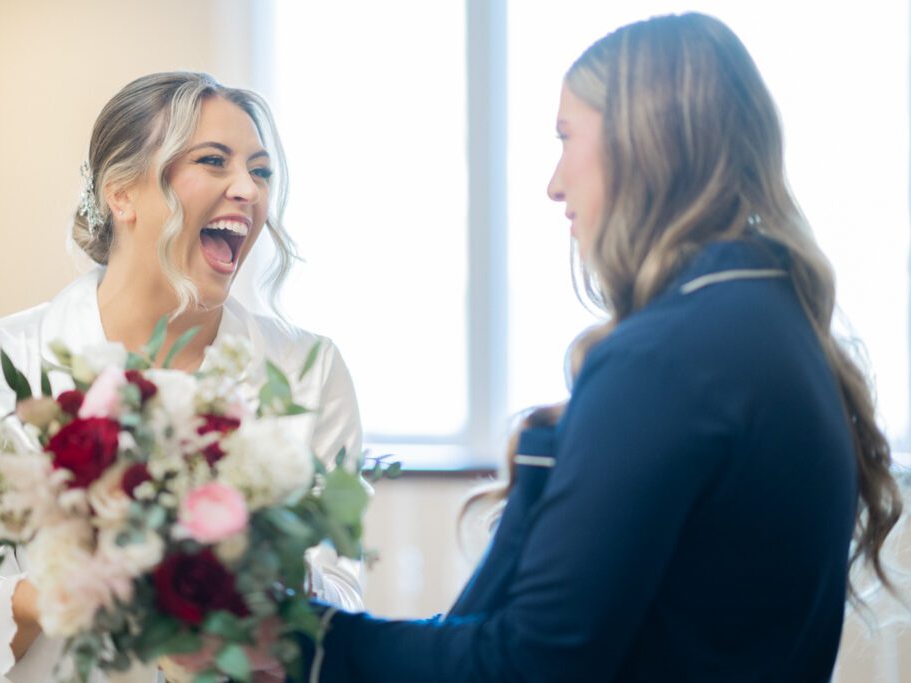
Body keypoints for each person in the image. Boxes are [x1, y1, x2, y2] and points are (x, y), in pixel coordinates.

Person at [302, 13, 904, 682]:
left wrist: (310, 641)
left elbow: (530, 663)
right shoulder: (782, 325)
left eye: (566, 138)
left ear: (644, 143)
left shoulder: (665, 359)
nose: (554, 183)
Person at [0, 71, 364, 682]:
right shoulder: (0, 363)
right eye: (214, 161)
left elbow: (340, 595)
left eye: (260, 171)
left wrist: (252, 569)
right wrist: (72, 590)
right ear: (121, 193)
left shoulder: (307, 371)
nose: (248, 190)